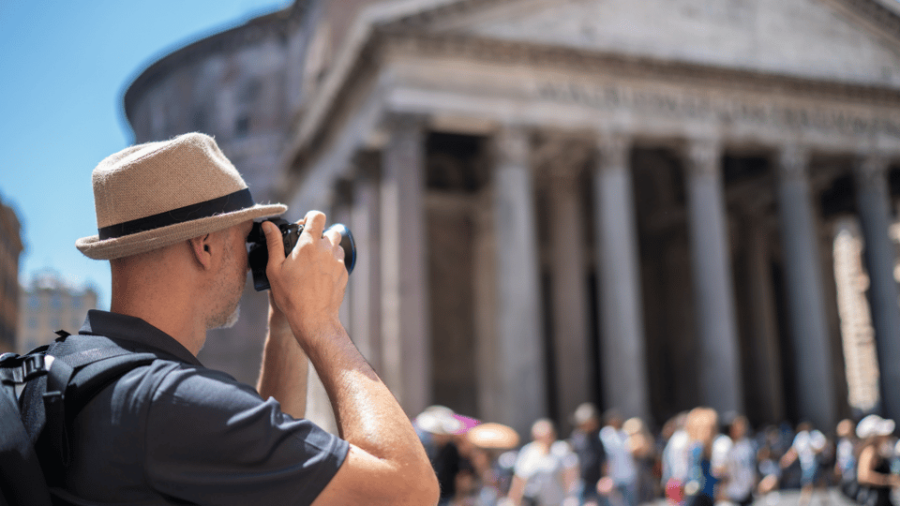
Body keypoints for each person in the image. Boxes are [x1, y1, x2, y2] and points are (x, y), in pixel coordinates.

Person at [21, 133, 439, 505]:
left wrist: (286, 325)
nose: (249, 259)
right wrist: (320, 322)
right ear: (204, 246)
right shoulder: (172, 403)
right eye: (246, 236)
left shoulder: (71, 372)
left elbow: (272, 476)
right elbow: (409, 490)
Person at [508, 419, 579, 506]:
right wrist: (514, 500)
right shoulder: (528, 453)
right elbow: (519, 479)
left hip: (557, 501)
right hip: (535, 502)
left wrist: (570, 497)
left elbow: (569, 475)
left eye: (549, 435)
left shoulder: (560, 450)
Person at [780, 422, 828, 506]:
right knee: (817, 481)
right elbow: (794, 451)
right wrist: (786, 460)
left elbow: (823, 446)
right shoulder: (800, 437)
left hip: (815, 463)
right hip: (805, 465)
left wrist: (814, 449)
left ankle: (804, 502)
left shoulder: (816, 435)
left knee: (808, 482)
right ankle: (823, 500)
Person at [855, 414, 899, 506]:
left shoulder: (876, 450)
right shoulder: (870, 451)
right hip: (875, 500)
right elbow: (863, 476)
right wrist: (888, 480)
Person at [569, 403, 606, 506]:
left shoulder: (598, 438)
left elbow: (603, 460)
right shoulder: (576, 437)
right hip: (581, 481)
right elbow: (573, 460)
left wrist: (605, 477)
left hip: (597, 480)